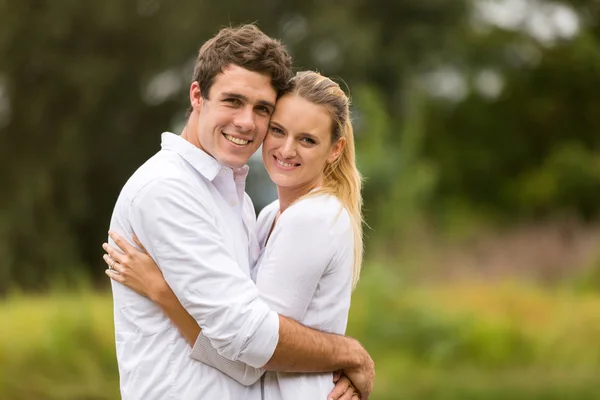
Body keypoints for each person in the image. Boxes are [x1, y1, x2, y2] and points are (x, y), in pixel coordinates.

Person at [104, 24, 374, 400]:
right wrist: (350, 354)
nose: (247, 122)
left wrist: (162, 291)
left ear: (334, 149)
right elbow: (250, 344)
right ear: (198, 96)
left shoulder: (239, 200)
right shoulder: (167, 189)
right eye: (233, 101)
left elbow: (251, 351)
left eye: (261, 109)